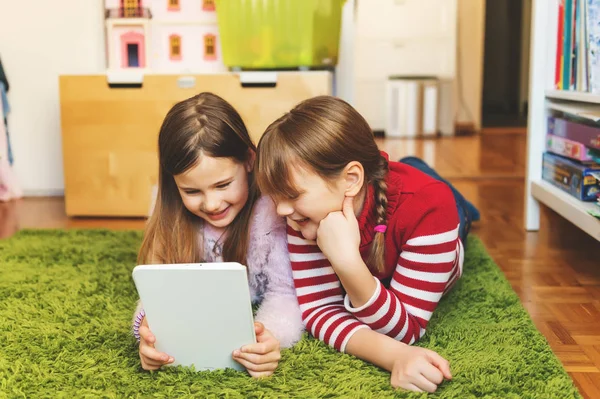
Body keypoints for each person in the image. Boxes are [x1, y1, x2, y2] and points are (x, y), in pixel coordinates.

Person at [255, 95, 479, 392]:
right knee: (405, 170)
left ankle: (427, 177)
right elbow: (319, 310)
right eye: (276, 197)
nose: (281, 211)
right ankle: (407, 165)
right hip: (375, 186)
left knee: (459, 206)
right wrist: (394, 357)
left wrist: (347, 261)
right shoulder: (302, 214)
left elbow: (405, 330)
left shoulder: (431, 208)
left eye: (293, 196)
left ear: (350, 179)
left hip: (442, 212)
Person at [132, 92, 303, 377]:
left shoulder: (275, 211)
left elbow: (286, 294)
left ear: (249, 160)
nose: (211, 204)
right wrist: (148, 330)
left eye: (223, 184)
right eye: (192, 191)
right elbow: (156, 290)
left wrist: (268, 338)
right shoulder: (169, 215)